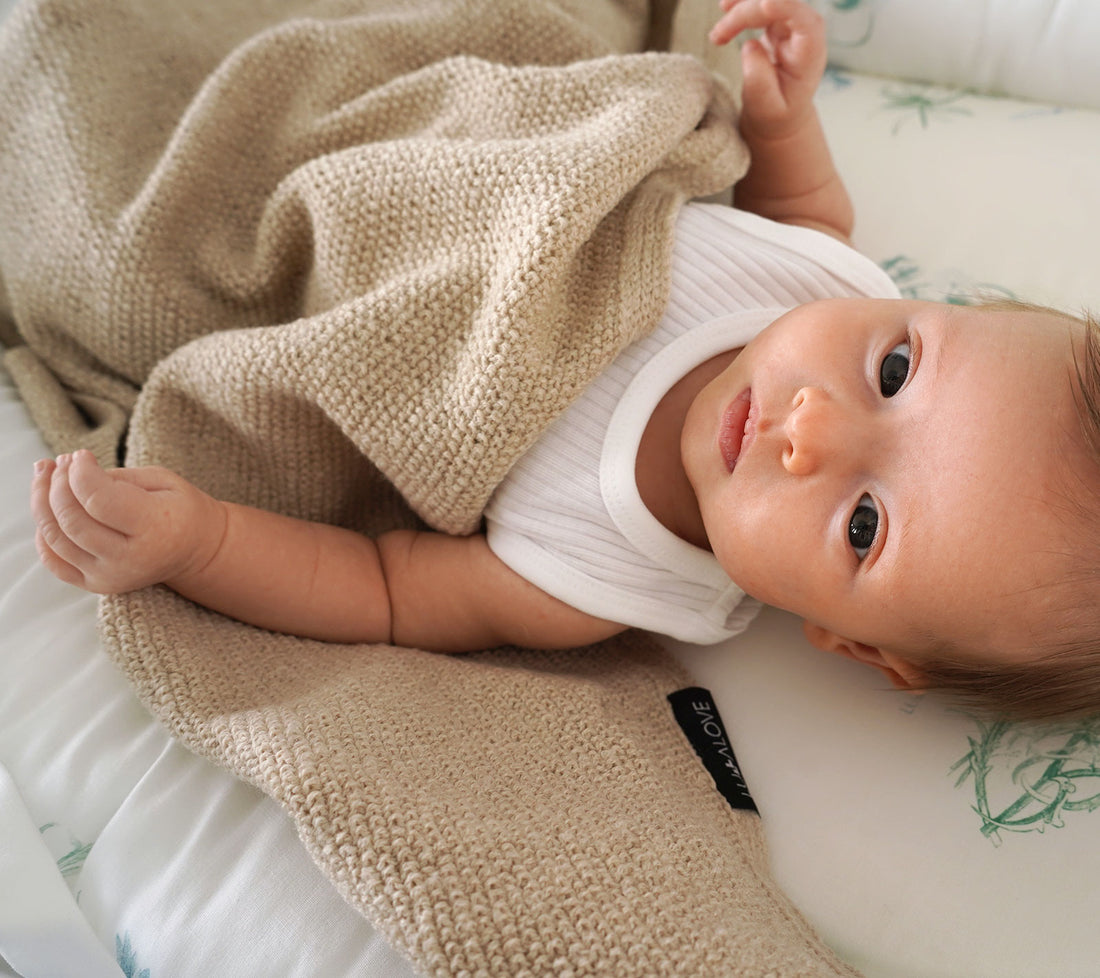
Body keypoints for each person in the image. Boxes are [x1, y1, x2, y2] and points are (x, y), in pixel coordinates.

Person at [28, 0, 1100, 719]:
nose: (809, 426)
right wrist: (779, 119)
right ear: (923, 311)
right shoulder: (832, 290)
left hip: (326, 274)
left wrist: (199, 537)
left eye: (862, 523)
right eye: (896, 373)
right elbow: (804, 220)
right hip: (459, 114)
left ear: (852, 643)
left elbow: (385, 590)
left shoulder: (595, 577)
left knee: (103, 248)